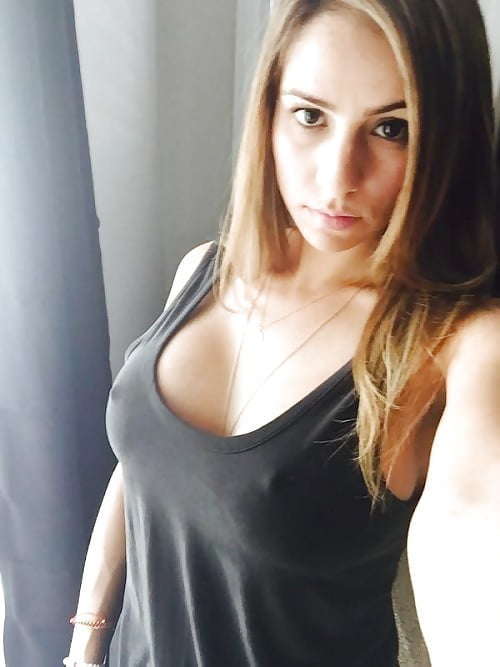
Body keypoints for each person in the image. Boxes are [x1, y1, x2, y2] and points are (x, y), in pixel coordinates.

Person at [64, 0, 500, 665]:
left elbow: (473, 566)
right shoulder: (202, 271)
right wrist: (86, 640)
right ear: (268, 111)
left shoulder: (460, 347)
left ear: (447, 140)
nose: (337, 177)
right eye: (310, 116)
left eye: (392, 128)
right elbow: (144, 465)